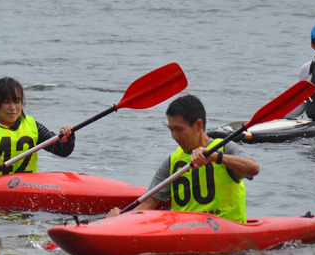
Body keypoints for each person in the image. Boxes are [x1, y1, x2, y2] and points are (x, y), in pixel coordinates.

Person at [108, 95, 259, 224]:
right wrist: (120, 219)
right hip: (186, 231)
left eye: (179, 130)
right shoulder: (172, 162)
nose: (174, 137)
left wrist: (216, 157)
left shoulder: (225, 148)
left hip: (226, 230)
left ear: (198, 125)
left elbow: (254, 169)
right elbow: (149, 202)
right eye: (171, 130)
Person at [0, 77, 75, 189]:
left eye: (17, 101)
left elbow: (62, 151)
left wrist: (68, 137)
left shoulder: (33, 127)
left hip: (27, 190)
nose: (13, 108)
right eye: (6, 102)